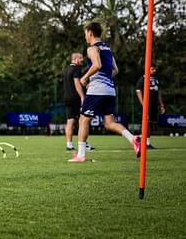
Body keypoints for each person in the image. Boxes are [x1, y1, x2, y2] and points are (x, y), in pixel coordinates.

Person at [69, 22, 140, 162]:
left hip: (97, 91)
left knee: (84, 119)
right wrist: (103, 79)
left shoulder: (92, 48)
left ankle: (81, 155)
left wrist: (85, 77)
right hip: (110, 90)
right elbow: (115, 70)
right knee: (109, 123)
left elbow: (97, 65)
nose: (85, 36)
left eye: (85, 33)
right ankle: (133, 139)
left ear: (90, 32)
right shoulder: (107, 48)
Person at [62, 53, 94, 151]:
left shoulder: (66, 69)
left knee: (70, 121)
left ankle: (69, 144)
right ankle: (85, 144)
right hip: (75, 98)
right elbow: (77, 83)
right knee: (83, 120)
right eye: (80, 58)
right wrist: (82, 97)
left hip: (66, 98)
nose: (82, 60)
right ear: (75, 59)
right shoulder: (76, 69)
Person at [136, 63, 165, 149]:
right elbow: (138, 91)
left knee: (151, 124)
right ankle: (143, 142)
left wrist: (161, 105)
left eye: (155, 69)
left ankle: (147, 143)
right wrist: (143, 104)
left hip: (154, 105)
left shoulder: (156, 80)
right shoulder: (143, 79)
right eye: (152, 69)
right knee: (146, 123)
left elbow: (158, 93)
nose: (154, 70)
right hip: (146, 106)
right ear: (147, 69)